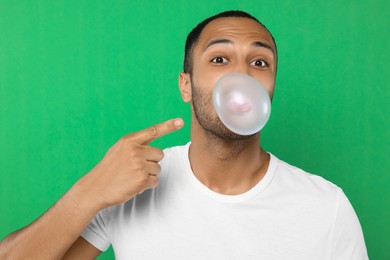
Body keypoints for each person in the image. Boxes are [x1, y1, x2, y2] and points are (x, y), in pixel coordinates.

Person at [0, 10, 368, 260]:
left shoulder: (326, 207)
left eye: (260, 62)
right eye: (220, 59)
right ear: (186, 85)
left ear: (270, 89)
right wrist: (90, 192)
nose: (242, 76)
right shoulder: (131, 185)